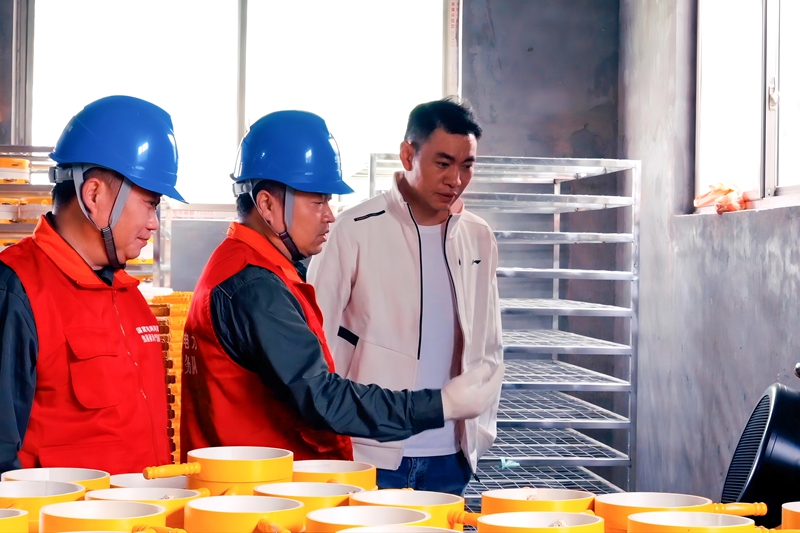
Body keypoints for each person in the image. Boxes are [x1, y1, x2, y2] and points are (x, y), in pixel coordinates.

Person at [180, 110, 503, 462]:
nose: (329, 215)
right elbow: (322, 397)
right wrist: (440, 404)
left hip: (259, 477)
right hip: (256, 483)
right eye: (318, 201)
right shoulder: (255, 287)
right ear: (268, 205)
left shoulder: (249, 266)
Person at [307, 97, 502, 495]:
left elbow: (490, 343)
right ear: (408, 154)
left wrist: (480, 433)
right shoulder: (353, 229)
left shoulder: (478, 236)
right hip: (369, 455)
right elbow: (317, 340)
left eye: (467, 166)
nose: (456, 179)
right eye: (443, 163)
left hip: (452, 456)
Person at [0, 95, 184, 474]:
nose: (154, 223)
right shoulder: (17, 290)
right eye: (150, 203)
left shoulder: (129, 297)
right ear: (94, 194)